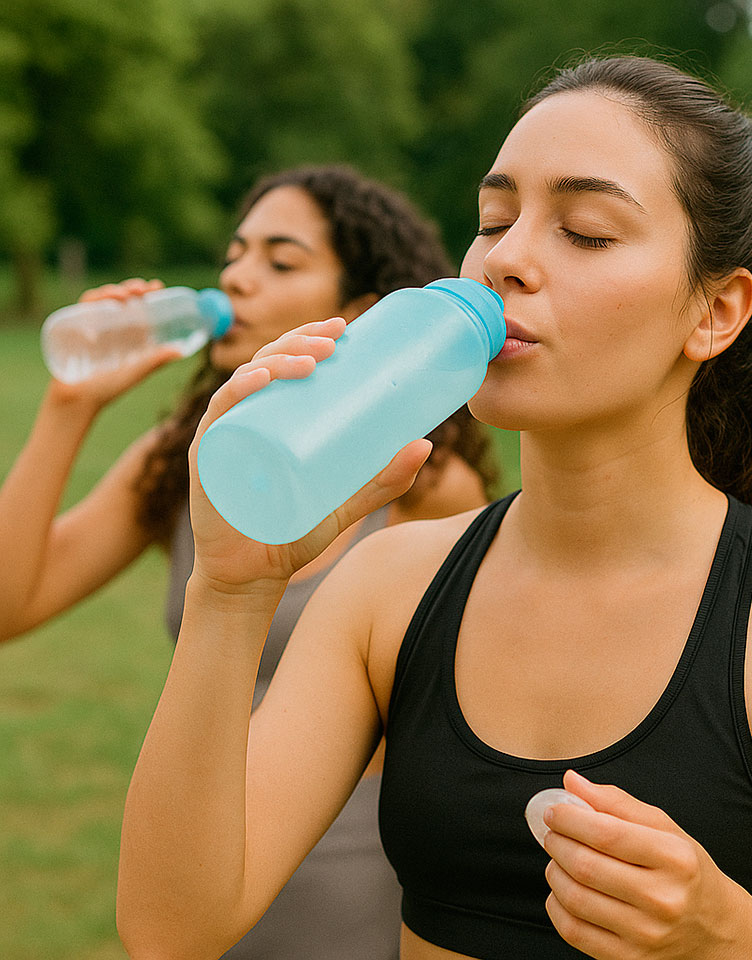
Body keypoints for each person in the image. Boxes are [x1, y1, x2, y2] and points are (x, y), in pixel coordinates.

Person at [117, 56, 752, 960]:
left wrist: (728, 941)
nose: (506, 258)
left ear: (716, 312)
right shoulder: (388, 588)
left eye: (586, 232)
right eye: (493, 219)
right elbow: (175, 929)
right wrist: (231, 591)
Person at [0, 164, 499, 959]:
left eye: (280, 259)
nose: (236, 275)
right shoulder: (187, 461)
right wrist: (70, 406)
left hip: (354, 883)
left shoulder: (424, 482)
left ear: (365, 314)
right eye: (235, 253)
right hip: (187, 858)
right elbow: (10, 605)